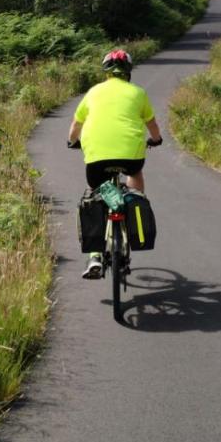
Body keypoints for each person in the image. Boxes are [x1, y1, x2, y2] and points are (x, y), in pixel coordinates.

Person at [67, 49, 162, 279]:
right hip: (130, 157)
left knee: (95, 194)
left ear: (106, 72)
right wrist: (156, 140)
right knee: (135, 175)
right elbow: (153, 126)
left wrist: (72, 142)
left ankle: (95, 256)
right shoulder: (138, 93)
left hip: (97, 159)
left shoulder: (92, 92)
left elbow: (75, 127)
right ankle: (132, 208)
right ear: (128, 72)